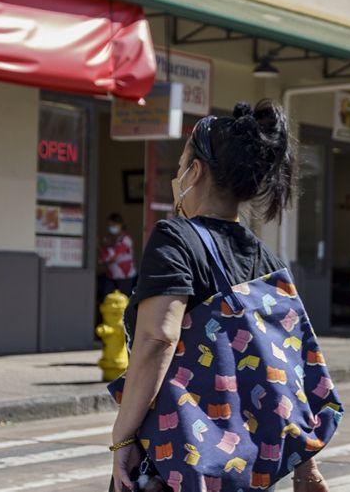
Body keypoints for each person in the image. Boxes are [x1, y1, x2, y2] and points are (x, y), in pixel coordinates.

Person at [110, 101, 334, 492]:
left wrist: (124, 436)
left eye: (181, 166)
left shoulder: (175, 238)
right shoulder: (268, 259)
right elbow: (287, 370)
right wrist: (305, 468)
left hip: (175, 461)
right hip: (243, 469)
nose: (177, 176)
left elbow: (157, 338)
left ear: (195, 172)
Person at [98, 213, 137, 302]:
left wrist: (101, 247)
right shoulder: (111, 239)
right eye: (109, 225)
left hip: (125, 277)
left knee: (123, 303)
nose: (111, 227)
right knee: (107, 301)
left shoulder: (126, 240)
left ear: (120, 225)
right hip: (111, 276)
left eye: (113, 225)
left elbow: (108, 257)